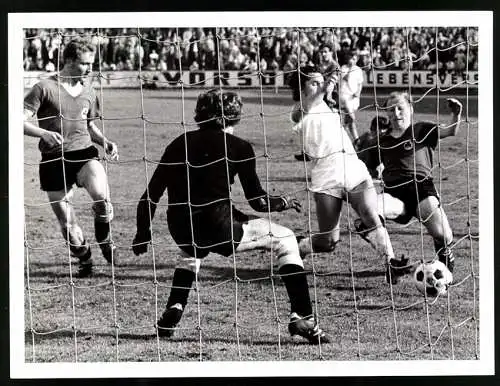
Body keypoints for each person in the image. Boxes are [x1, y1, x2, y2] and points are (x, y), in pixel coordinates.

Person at [132, 88, 330, 344]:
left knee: (192, 249)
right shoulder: (239, 147)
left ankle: (176, 306)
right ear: (236, 116)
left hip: (180, 226)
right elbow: (258, 201)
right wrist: (282, 202)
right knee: (286, 238)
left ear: (199, 114)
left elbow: (150, 194)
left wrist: (142, 232)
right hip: (218, 226)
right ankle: (302, 314)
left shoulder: (179, 142)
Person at [288, 65, 408, 285]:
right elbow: (312, 102)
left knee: (369, 214)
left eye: (319, 81)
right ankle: (299, 246)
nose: (318, 85)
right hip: (325, 173)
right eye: (313, 83)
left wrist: (332, 90)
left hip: (351, 165)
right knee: (329, 242)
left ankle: (391, 263)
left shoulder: (326, 102)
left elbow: (330, 101)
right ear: (301, 88)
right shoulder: (299, 110)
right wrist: (329, 83)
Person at [24, 37, 119, 278]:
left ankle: (104, 237)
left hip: (84, 153)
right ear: (68, 60)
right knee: (68, 225)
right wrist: (44, 133)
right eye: (85, 64)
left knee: (102, 198)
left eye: (91, 64)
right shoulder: (43, 88)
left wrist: (104, 141)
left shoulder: (89, 90)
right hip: (53, 161)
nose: (89, 69)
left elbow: (89, 125)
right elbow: (16, 121)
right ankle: (85, 258)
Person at [355, 91, 462, 273]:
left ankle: (444, 252)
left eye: (400, 108)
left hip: (421, 189)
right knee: (366, 216)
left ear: (410, 109)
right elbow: (365, 167)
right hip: (394, 193)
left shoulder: (422, 129)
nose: (395, 113)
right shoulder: (380, 141)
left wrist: (456, 114)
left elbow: (450, 130)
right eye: (390, 110)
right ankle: (392, 262)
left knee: (444, 236)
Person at [339, 51, 364, 148]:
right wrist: (350, 69)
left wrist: (358, 92)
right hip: (344, 96)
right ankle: (357, 141)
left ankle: (350, 140)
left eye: (354, 59)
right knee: (352, 117)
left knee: (349, 121)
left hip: (353, 98)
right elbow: (345, 78)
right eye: (350, 58)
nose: (352, 61)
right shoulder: (343, 68)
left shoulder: (359, 70)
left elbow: (360, 83)